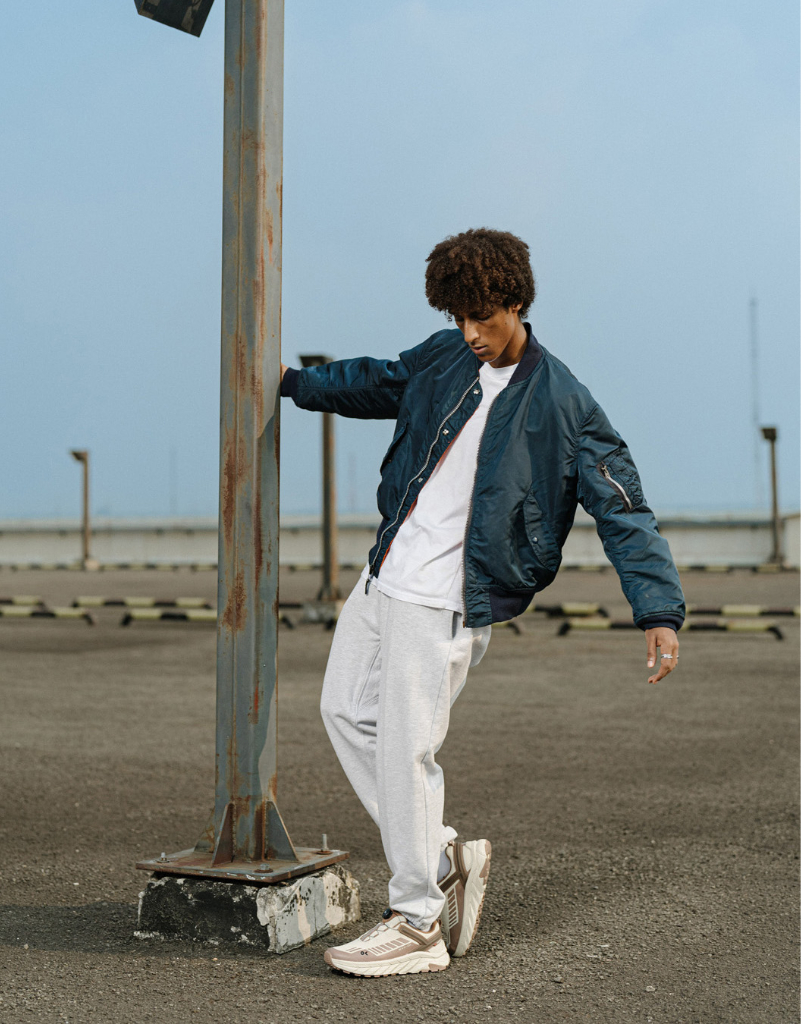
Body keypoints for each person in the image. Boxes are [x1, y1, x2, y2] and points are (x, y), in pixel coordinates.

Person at [279, 228, 685, 977]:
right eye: (458, 317)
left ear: (517, 303)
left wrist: (657, 610)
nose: (471, 333)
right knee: (343, 712)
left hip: (447, 597)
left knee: (406, 749)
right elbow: (379, 381)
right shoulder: (446, 357)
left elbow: (623, 507)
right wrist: (291, 384)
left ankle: (417, 922)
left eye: (483, 318)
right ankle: (439, 858)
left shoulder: (563, 402)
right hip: (386, 572)